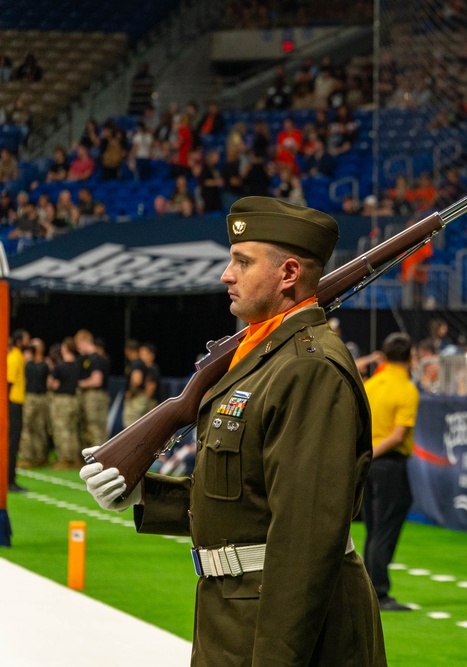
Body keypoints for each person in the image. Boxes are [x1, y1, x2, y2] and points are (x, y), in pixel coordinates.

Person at [80, 196, 386, 665]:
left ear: (288, 274)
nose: (227, 274)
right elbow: (241, 499)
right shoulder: (259, 358)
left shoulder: (308, 368)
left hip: (279, 630)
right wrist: (144, 493)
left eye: (242, 261)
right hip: (233, 614)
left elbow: (304, 541)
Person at [362, 332, 419, 612]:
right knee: (384, 529)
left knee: (373, 529)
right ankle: (379, 592)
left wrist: (365, 456)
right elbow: (397, 436)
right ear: (410, 357)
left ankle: (368, 588)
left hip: (367, 464)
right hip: (389, 464)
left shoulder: (370, 385)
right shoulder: (407, 389)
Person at [48, 339, 81, 470]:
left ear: (65, 348)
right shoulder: (78, 365)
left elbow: (52, 384)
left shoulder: (60, 366)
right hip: (74, 399)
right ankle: (75, 458)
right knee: (73, 430)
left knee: (62, 430)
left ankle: (65, 459)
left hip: (61, 400)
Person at [74, 330, 110, 451]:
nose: (78, 349)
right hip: (98, 396)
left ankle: (99, 457)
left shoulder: (94, 358)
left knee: (94, 428)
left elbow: (96, 380)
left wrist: (79, 383)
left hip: (94, 397)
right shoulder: (98, 358)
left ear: (85, 341)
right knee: (95, 429)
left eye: (79, 345)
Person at [18, 338, 49, 469]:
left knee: (37, 428)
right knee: (29, 427)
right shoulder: (33, 364)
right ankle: (29, 457)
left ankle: (37, 457)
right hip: (33, 397)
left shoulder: (42, 365)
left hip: (38, 397)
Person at [7, 329, 29, 491]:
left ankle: (10, 479)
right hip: (13, 404)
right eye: (26, 339)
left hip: (15, 403)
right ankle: (9, 480)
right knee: (12, 444)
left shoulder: (18, 356)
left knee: (13, 443)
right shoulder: (14, 358)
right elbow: (8, 382)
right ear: (19, 341)